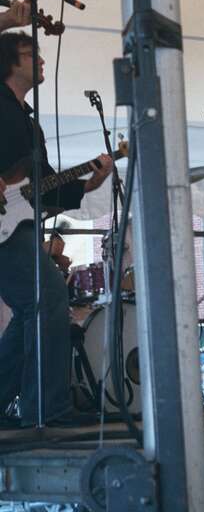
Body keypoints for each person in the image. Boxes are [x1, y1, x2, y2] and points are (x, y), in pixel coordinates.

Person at [0, 29, 113, 426]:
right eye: (32, 53)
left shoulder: (30, 125)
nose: (42, 60)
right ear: (8, 63)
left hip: (18, 225)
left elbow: (42, 186)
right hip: (5, 233)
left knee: (33, 308)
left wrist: (88, 184)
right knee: (46, 299)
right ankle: (46, 408)